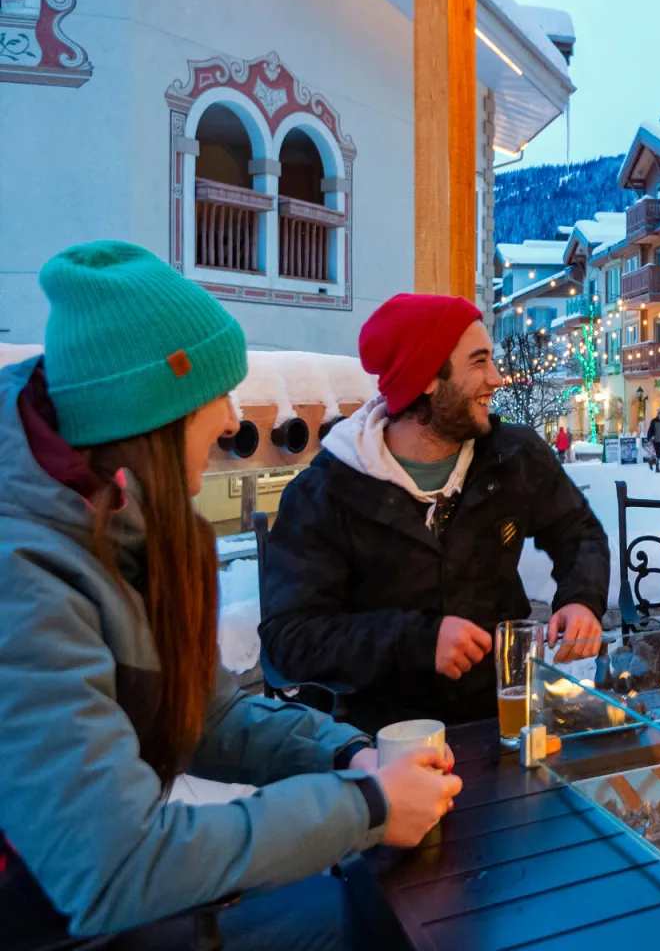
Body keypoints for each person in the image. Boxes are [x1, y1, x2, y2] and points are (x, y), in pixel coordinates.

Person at [0, 242, 460, 950]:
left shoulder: (118, 516)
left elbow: (203, 716)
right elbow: (114, 864)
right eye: (214, 396)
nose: (227, 421)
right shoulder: (24, 575)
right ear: (149, 413)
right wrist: (362, 808)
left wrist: (346, 758)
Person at [259, 294, 609, 735]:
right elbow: (289, 638)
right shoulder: (327, 491)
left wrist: (581, 599)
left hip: (500, 719)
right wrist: (418, 643)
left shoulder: (514, 457)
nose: (497, 379)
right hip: (373, 741)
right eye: (478, 362)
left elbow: (579, 532)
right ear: (426, 378)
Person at [646, 406, 660, 472]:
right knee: (658, 454)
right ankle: (657, 468)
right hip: (655, 440)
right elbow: (650, 430)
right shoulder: (654, 421)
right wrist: (649, 438)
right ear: (658, 414)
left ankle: (651, 462)